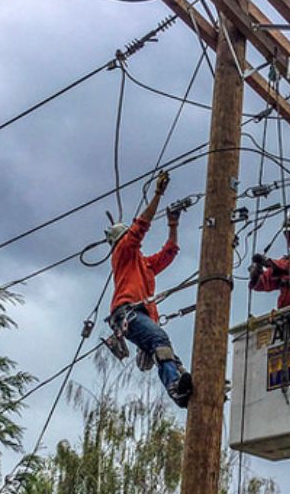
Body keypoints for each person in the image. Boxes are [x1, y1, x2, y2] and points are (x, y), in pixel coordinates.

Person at [105, 171, 193, 408]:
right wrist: (157, 195)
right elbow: (141, 226)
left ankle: (186, 385)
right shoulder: (122, 253)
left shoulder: (143, 264)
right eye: (128, 238)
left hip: (140, 315)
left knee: (168, 351)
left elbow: (169, 252)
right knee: (160, 338)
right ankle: (176, 388)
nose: (132, 241)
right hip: (127, 313)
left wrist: (173, 223)